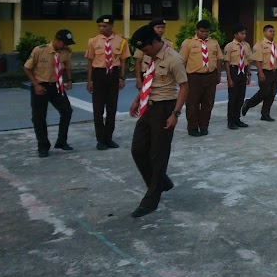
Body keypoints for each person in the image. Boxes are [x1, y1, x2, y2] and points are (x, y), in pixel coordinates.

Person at [128, 25, 188, 218]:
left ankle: (151, 199)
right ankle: (161, 182)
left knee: (158, 154)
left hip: (165, 108)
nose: (144, 53)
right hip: (148, 106)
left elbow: (184, 87)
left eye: (145, 49)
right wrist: (137, 100)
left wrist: (175, 114)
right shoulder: (150, 57)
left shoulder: (174, 59)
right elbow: (148, 80)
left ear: (154, 43)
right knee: (138, 149)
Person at [23, 29, 76, 158]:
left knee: (67, 111)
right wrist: (36, 85)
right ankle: (43, 146)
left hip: (56, 86)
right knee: (39, 117)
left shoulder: (65, 52)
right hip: (41, 86)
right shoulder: (40, 50)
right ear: (57, 41)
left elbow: (67, 66)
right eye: (64, 43)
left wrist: (69, 80)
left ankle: (61, 141)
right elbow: (27, 68)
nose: (66, 46)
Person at [86, 14, 130, 150]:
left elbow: (123, 61)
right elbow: (90, 62)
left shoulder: (121, 41)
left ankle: (108, 138)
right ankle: (100, 139)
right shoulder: (93, 41)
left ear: (111, 26)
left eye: (104, 26)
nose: (101, 28)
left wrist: (122, 78)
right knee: (98, 109)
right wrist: (89, 81)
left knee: (112, 108)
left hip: (113, 75)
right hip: (98, 75)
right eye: (99, 26)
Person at [179, 19, 223, 137]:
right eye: (202, 31)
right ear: (197, 30)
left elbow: (218, 59)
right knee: (193, 103)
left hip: (210, 76)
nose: (204, 34)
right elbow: (182, 61)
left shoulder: (214, 43)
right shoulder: (188, 43)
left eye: (207, 32)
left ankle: (204, 126)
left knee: (208, 103)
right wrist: (182, 78)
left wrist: (218, 75)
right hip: (194, 77)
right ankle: (192, 127)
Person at [242, 24, 277, 122]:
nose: (272, 33)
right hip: (266, 71)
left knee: (272, 94)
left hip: (276, 71)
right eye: (270, 31)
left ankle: (265, 114)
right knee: (264, 92)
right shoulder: (260, 45)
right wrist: (260, 73)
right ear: (264, 33)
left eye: (273, 31)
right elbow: (257, 61)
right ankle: (249, 103)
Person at [223, 24, 252, 130]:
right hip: (234, 70)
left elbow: (248, 61)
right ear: (235, 35)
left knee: (240, 97)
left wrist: (248, 75)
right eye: (241, 33)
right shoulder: (229, 46)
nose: (244, 35)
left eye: (245, 33)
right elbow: (227, 63)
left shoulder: (246, 46)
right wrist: (229, 78)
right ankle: (230, 121)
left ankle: (237, 119)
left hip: (243, 71)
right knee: (233, 98)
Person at [134, 18, 172, 90]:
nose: (160, 30)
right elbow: (138, 62)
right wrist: (138, 80)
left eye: (163, 27)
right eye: (158, 27)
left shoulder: (168, 43)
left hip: (162, 73)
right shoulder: (144, 42)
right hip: (147, 73)